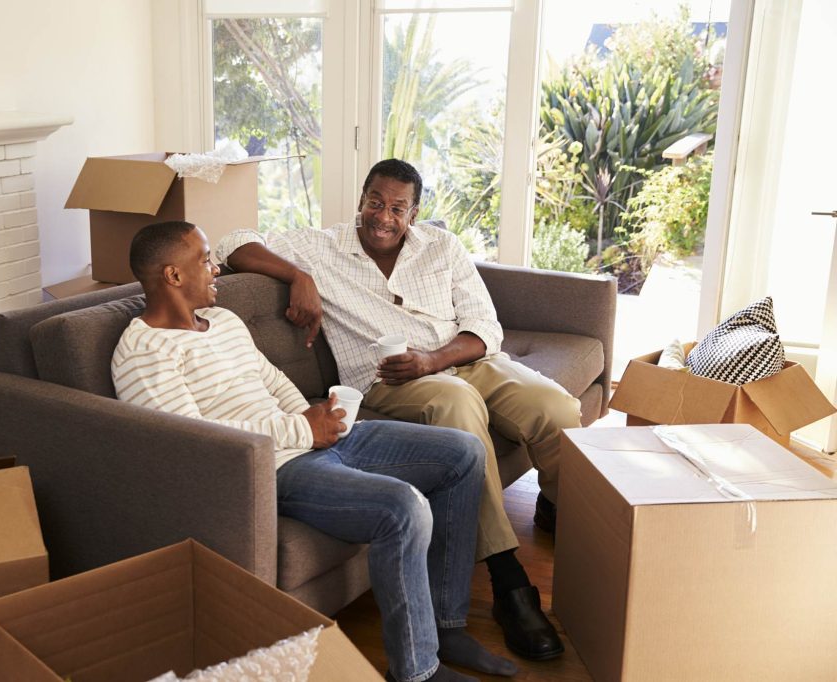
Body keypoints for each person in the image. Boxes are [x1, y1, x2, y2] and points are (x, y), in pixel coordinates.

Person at [113, 221, 518, 682]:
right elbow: (194, 440)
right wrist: (303, 430)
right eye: (204, 260)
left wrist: (321, 418)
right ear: (173, 276)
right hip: (271, 467)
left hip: (309, 438)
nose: (215, 269)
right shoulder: (143, 350)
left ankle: (447, 627)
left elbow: (272, 382)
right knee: (403, 509)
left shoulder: (223, 321)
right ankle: (418, 671)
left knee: (463, 453)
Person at [216, 158, 578, 661]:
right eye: (375, 203)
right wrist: (297, 275)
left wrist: (434, 358)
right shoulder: (319, 247)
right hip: (389, 382)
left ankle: (557, 505)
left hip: (463, 358)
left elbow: (484, 326)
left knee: (555, 407)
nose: (384, 217)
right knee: (458, 405)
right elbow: (230, 241)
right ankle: (509, 580)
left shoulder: (442, 246)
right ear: (361, 199)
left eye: (398, 208)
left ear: (415, 212)